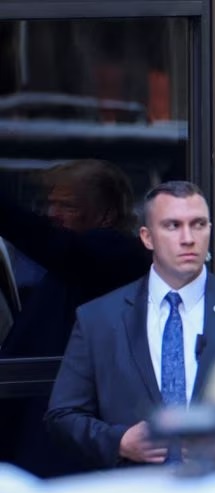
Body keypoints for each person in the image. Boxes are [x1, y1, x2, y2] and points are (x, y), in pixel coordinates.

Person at [45, 181, 215, 470]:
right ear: (147, 238)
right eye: (173, 226)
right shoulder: (99, 319)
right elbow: (62, 415)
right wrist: (119, 441)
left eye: (198, 224)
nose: (188, 238)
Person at [0, 159, 152, 476]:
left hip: (70, 446)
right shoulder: (76, 259)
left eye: (66, 206)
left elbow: (52, 244)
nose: (53, 214)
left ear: (106, 214)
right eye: (51, 204)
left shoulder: (115, 252)